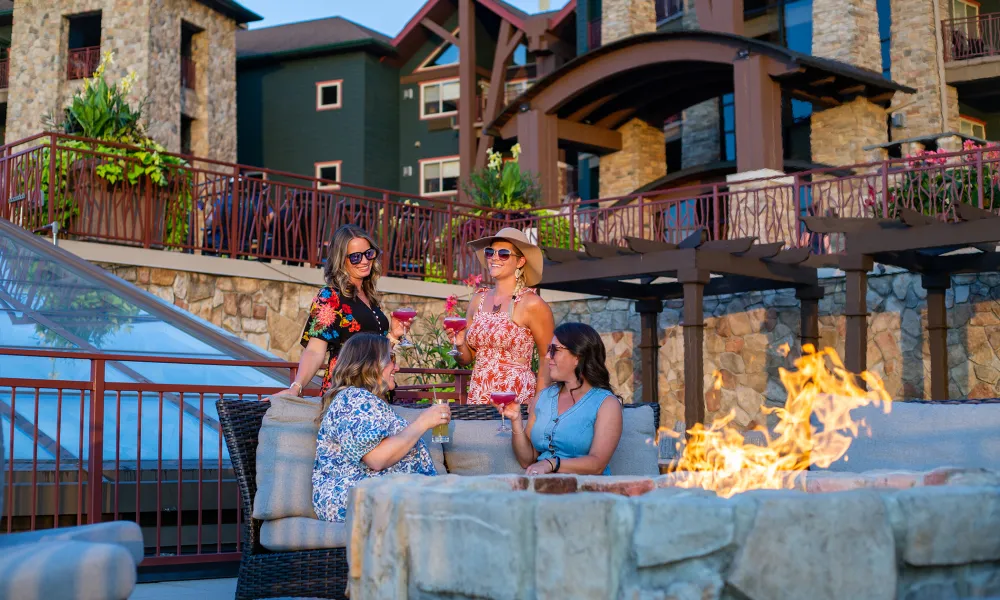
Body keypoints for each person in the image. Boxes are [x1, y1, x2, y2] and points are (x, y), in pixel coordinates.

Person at [312, 334, 448, 522]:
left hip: (382, 495)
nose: (397, 367)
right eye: (391, 358)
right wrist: (423, 422)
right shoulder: (353, 400)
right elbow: (376, 459)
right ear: (370, 363)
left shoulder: (365, 401)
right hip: (359, 499)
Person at [274, 224, 407, 398]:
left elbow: (372, 351)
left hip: (375, 392)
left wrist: (394, 336)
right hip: (346, 393)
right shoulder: (330, 296)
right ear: (340, 260)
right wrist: (296, 387)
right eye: (355, 257)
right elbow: (315, 350)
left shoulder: (369, 297)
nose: (365, 261)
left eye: (368, 254)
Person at [447, 227, 554, 405]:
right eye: (490, 252)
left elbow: (547, 357)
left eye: (504, 253)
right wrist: (458, 344)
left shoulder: (532, 304)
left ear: (520, 262)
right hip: (479, 395)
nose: (494, 257)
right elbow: (466, 359)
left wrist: (539, 403)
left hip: (515, 398)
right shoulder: (478, 300)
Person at [498, 322, 623, 476]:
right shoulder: (543, 397)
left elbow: (597, 464)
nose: (548, 356)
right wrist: (516, 421)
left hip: (586, 492)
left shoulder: (606, 404)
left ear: (577, 357)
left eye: (555, 350)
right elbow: (527, 460)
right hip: (543, 490)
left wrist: (551, 464)